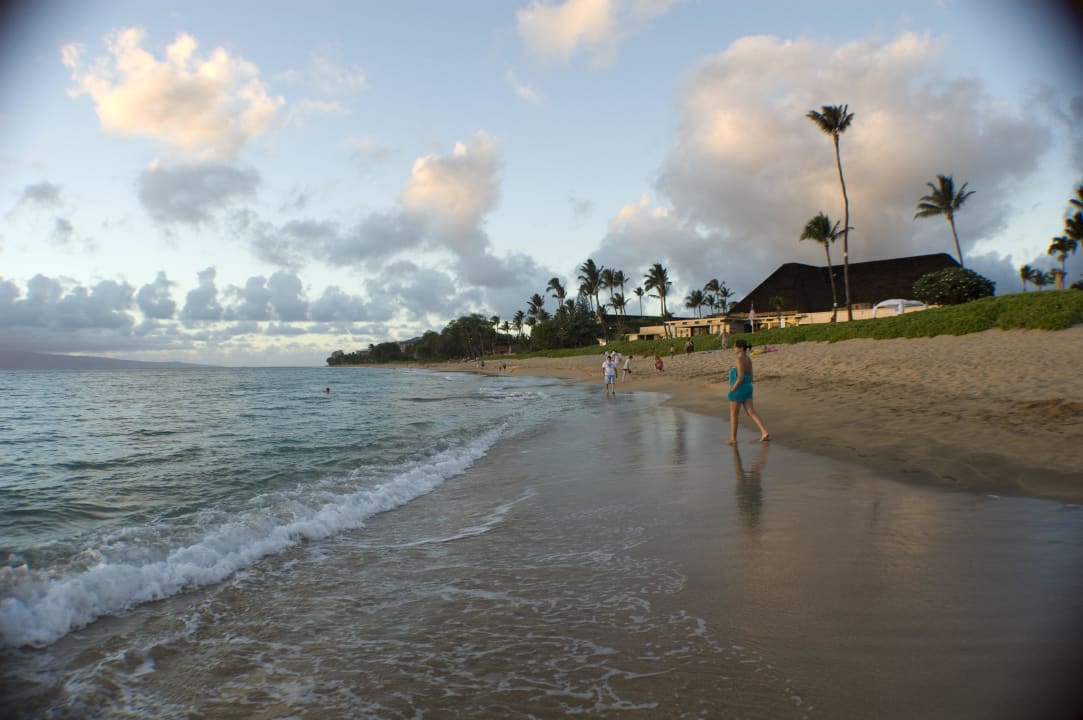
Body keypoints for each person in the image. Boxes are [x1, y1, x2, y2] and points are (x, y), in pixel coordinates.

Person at [726, 338, 769, 444]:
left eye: (735, 346)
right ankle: (764, 432)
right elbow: (751, 375)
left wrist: (733, 388)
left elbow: (740, 377)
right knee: (751, 411)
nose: (733, 348)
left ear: (740, 348)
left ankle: (733, 439)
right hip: (748, 387)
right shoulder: (748, 359)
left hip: (739, 388)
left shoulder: (739, 359)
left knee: (733, 414)